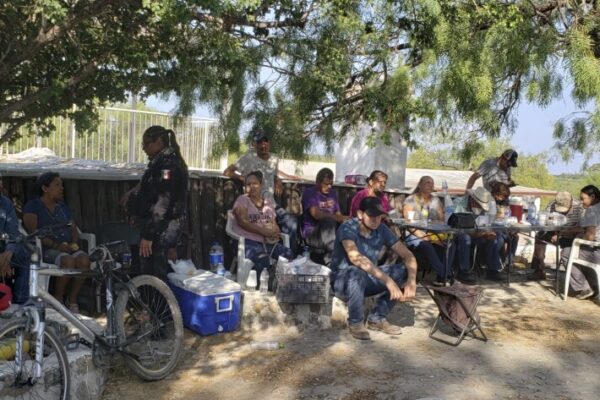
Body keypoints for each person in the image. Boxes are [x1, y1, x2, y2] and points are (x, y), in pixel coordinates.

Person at [330, 197, 418, 340]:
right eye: (371, 215)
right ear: (360, 214)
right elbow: (356, 258)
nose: (376, 219)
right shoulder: (347, 227)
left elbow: (408, 255)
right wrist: (388, 280)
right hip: (342, 282)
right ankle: (356, 322)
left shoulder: (381, 229)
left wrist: (412, 281)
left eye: (379, 216)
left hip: (367, 279)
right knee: (356, 271)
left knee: (404, 270)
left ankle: (376, 318)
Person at [121, 126, 189, 281]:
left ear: (158, 142)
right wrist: (133, 193)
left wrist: (149, 235)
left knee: (156, 274)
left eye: (146, 144)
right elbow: (151, 185)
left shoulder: (168, 166)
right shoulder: (159, 162)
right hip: (157, 225)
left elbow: (163, 201)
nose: (144, 148)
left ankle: (159, 304)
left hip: (163, 229)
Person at [223, 130, 300, 255]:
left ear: (269, 143)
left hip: (271, 205)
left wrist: (278, 180)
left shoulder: (274, 158)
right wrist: (244, 179)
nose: (263, 145)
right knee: (260, 230)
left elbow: (273, 174)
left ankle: (288, 256)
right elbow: (227, 172)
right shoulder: (248, 157)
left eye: (265, 141)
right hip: (253, 205)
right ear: (255, 144)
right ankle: (271, 255)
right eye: (260, 142)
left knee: (292, 223)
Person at [23, 172, 90, 312]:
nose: (61, 188)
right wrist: (57, 246)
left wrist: (74, 243)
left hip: (67, 247)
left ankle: (72, 300)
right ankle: (57, 300)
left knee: (84, 260)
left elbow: (73, 229)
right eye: (57, 185)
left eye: (62, 185)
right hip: (46, 250)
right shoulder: (33, 206)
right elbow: (33, 233)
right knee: (68, 261)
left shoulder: (62, 207)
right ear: (45, 188)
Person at [232, 171, 293, 289]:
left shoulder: (267, 204)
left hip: (267, 242)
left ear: (261, 185)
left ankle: (282, 286)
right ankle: (261, 289)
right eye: (248, 184)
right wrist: (263, 231)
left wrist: (275, 232)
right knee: (262, 259)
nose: (251, 187)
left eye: (255, 183)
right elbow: (242, 221)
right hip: (247, 242)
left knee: (287, 254)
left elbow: (274, 224)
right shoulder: (242, 200)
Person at [402, 176, 454, 285]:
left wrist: (443, 216)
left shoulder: (435, 200)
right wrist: (428, 238)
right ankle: (446, 276)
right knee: (427, 245)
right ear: (420, 185)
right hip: (414, 233)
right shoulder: (411, 199)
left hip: (432, 232)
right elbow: (409, 224)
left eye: (432, 183)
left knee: (451, 244)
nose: (430, 185)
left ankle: (441, 278)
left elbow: (442, 220)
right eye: (427, 183)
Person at [528, 191, 583, 280]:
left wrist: (561, 234)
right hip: (555, 232)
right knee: (540, 237)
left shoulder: (579, 207)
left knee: (567, 251)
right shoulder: (552, 205)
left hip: (572, 236)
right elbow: (546, 220)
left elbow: (582, 228)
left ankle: (574, 277)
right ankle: (539, 270)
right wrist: (553, 231)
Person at [453, 187, 503, 282]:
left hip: (478, 233)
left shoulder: (482, 205)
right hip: (461, 234)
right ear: (473, 199)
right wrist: (476, 234)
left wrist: (487, 232)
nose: (481, 207)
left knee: (495, 238)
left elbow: (487, 223)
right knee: (465, 238)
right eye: (479, 204)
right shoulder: (459, 204)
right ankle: (463, 271)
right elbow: (456, 227)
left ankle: (492, 270)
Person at [301, 168, 350, 265]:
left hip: (330, 231)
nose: (329, 186)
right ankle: (330, 261)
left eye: (331, 183)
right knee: (328, 221)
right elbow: (316, 214)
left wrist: (345, 220)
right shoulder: (309, 193)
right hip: (313, 233)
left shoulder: (332, 193)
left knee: (348, 225)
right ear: (317, 182)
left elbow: (338, 213)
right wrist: (336, 218)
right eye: (326, 184)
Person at [563, 185, 600, 300]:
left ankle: (583, 287)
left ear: (592, 197)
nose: (581, 201)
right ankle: (594, 285)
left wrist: (577, 238)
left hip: (596, 250)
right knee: (581, 252)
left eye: (583, 198)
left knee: (566, 252)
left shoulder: (592, 210)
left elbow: (590, 236)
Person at [0, 174, 30, 305]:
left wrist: (8, 253)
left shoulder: (5, 203)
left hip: (4, 249)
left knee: (25, 254)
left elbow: (13, 233)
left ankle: (19, 304)